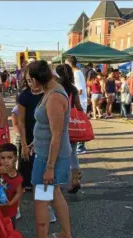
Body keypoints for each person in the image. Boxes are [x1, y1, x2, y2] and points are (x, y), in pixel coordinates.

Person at [26, 60, 73, 238]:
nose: (29, 84)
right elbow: (47, 129)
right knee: (54, 195)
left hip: (49, 158)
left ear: (38, 79)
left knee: (41, 200)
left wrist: (50, 167)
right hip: (46, 152)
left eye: (30, 80)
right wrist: (34, 142)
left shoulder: (54, 97)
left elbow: (57, 135)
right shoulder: (51, 90)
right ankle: (66, 234)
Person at [56, 64, 84, 193]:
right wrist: (81, 115)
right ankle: (75, 180)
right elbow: (78, 106)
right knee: (73, 152)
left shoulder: (57, 88)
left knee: (59, 153)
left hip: (59, 123)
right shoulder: (73, 89)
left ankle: (60, 182)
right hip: (72, 125)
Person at [0, 143, 23, 229]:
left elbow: (18, 193)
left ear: (15, 158)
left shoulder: (18, 177)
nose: (6, 161)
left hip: (10, 210)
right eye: (3, 158)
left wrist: (11, 203)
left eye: (9, 158)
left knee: (10, 229)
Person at [65, 56, 87, 154]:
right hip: (80, 103)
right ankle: (80, 146)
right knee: (78, 125)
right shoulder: (78, 73)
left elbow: (79, 90)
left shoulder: (77, 74)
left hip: (80, 103)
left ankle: (81, 147)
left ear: (70, 64)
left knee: (79, 125)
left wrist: (71, 96)